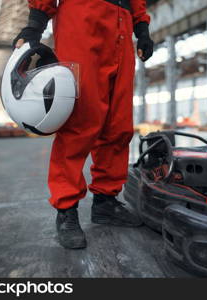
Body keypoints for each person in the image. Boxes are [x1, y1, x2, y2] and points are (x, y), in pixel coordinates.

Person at [13, 0, 154, 249]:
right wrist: (35, 25)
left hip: (121, 24)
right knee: (79, 121)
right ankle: (66, 210)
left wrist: (141, 28)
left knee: (118, 125)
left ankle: (105, 202)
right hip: (82, 17)